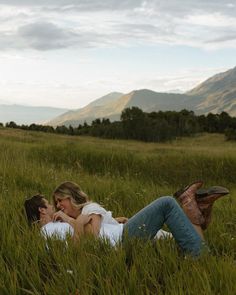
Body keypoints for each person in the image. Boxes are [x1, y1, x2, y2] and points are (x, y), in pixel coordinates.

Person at [51, 180, 229, 256]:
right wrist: (117, 219)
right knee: (185, 242)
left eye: (60, 201)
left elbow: (92, 239)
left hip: (125, 238)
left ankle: (189, 204)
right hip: (127, 237)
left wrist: (71, 221)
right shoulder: (85, 215)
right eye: (56, 203)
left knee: (166, 205)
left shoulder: (89, 208)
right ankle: (193, 207)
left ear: (72, 197)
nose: (59, 206)